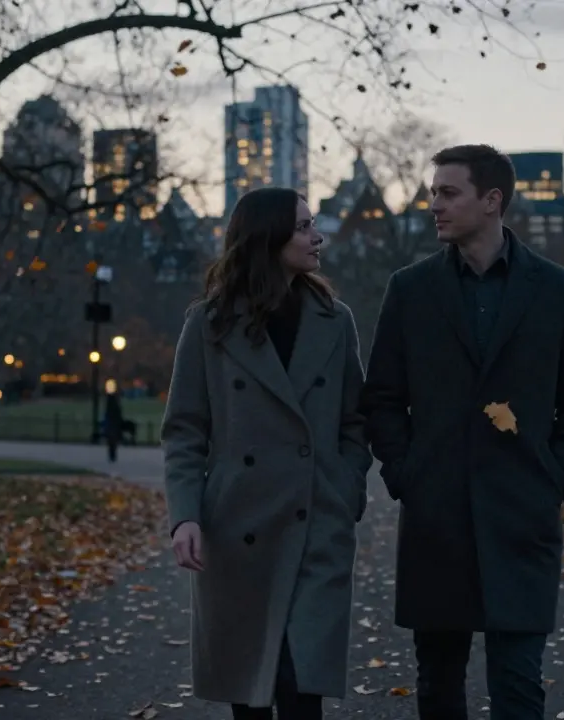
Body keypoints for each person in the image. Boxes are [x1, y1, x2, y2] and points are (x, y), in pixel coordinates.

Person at [361, 144, 564, 720]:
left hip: (522, 512)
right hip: (436, 514)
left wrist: (556, 476)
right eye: (433, 193)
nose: (434, 206)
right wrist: (406, 474)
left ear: (492, 201)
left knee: (519, 685)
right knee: (438, 685)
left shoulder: (555, 290)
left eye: (448, 193)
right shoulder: (411, 289)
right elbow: (383, 397)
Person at [161, 186, 373, 720]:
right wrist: (185, 515)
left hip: (316, 523)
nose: (316, 236)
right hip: (238, 529)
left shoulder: (335, 318)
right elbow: (185, 430)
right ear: (268, 236)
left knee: (302, 689)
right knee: (251, 693)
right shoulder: (208, 324)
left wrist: (344, 491)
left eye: (313, 224)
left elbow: (355, 420)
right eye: (303, 227)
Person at [103, 388, 124, 463]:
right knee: (113, 441)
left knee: (110, 441)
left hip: (110, 424)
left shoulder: (109, 406)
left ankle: (111, 455)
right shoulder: (116, 406)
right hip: (114, 424)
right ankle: (113, 455)